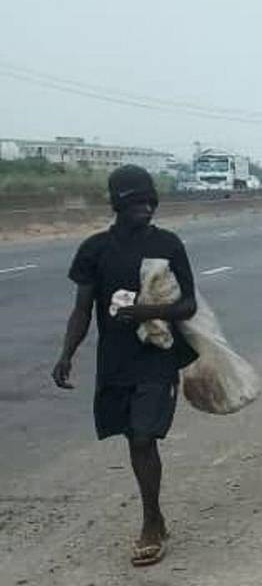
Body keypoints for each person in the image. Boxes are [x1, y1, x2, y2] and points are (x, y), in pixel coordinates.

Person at [51, 165, 199, 567]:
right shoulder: (94, 249)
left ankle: (151, 522)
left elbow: (188, 304)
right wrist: (67, 353)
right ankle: (157, 518)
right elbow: (82, 309)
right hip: (116, 361)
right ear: (117, 204)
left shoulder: (168, 244)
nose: (146, 209)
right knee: (131, 436)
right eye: (137, 203)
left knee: (143, 437)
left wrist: (149, 312)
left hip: (158, 356)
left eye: (151, 202)